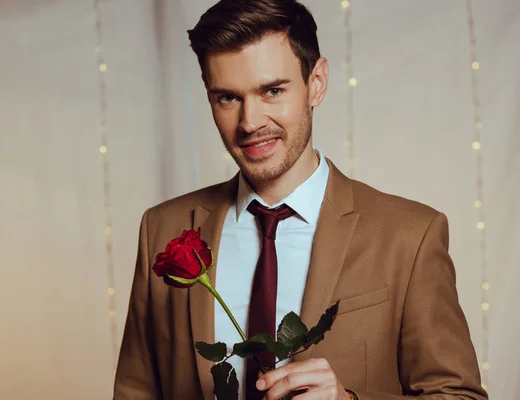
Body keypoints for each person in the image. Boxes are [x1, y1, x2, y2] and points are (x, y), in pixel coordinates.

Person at [114, 1, 488, 399]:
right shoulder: (163, 229)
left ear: (317, 82)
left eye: (272, 90)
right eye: (227, 97)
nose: (250, 122)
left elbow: (458, 395)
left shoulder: (410, 236)